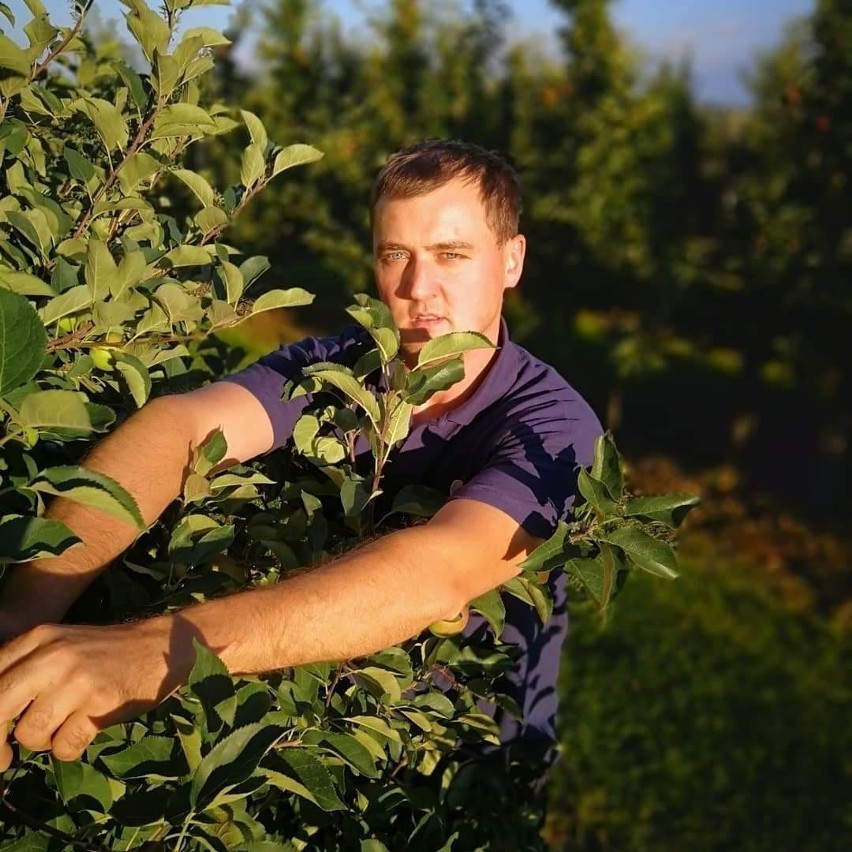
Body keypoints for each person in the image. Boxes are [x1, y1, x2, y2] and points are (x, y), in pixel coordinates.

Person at [0, 140, 601, 780]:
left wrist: (156, 653)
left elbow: (434, 572)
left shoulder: (555, 431)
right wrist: (21, 617)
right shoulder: (337, 367)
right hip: (321, 741)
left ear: (511, 260)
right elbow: (179, 427)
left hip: (466, 765)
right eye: (395, 254)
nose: (418, 288)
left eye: (452, 255)